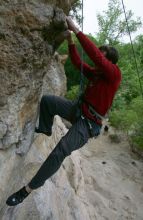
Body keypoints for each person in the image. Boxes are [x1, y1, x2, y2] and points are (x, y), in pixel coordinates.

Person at [6, 17, 122, 206]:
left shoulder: (114, 75)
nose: (98, 58)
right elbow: (78, 63)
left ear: (109, 61)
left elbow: (96, 57)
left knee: (60, 150)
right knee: (48, 101)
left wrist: (77, 30)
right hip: (79, 110)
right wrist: (70, 42)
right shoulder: (98, 73)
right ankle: (45, 128)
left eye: (102, 55)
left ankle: (27, 190)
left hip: (89, 123)